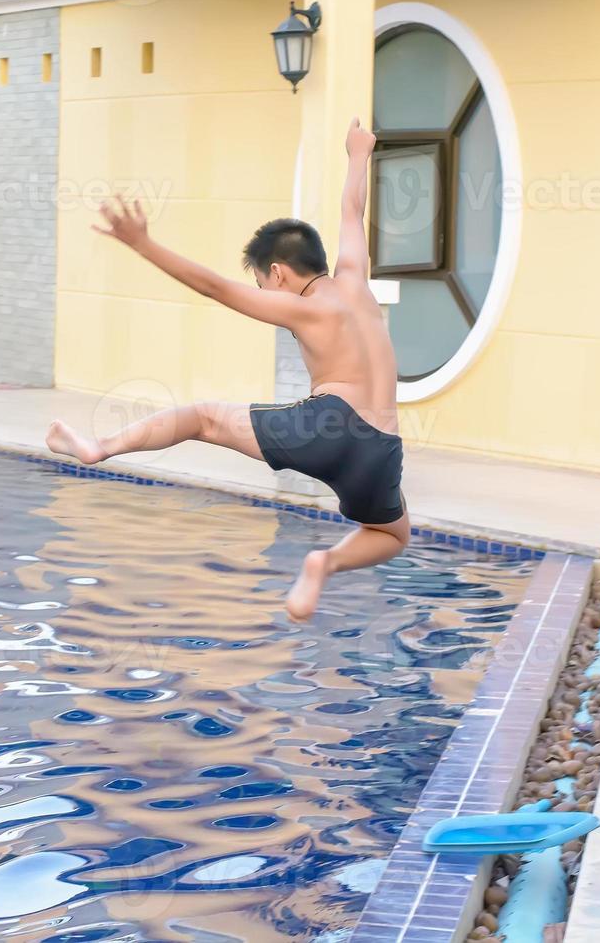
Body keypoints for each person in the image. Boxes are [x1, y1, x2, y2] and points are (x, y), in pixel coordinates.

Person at [45, 119, 405, 622]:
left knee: (203, 418)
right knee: (391, 533)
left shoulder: (304, 307)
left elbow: (214, 288)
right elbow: (352, 209)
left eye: (262, 281)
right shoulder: (356, 280)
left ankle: (98, 448)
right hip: (383, 446)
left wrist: (142, 244)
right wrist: (358, 154)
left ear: (277, 273)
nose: (265, 290)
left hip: (329, 427)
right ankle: (324, 564)